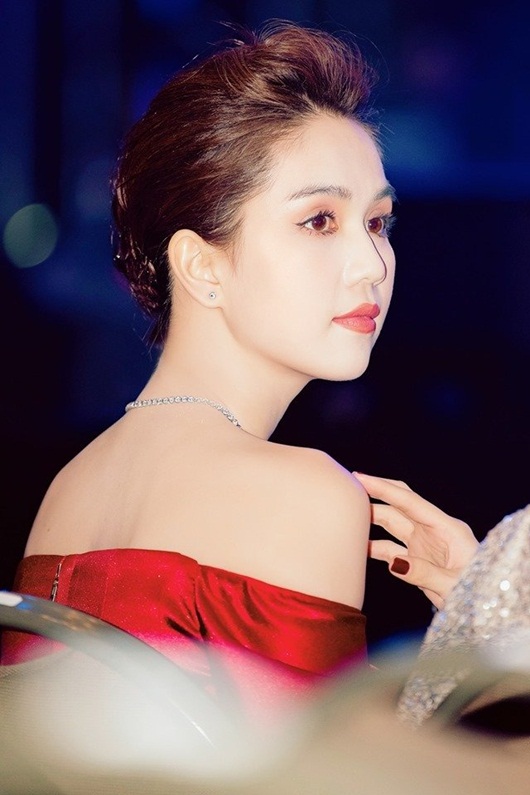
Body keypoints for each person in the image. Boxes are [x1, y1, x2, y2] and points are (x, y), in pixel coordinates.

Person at [2, 20, 475, 707]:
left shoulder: (69, 489)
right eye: (319, 220)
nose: (372, 265)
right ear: (201, 265)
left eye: (378, 223)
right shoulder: (306, 491)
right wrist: (487, 630)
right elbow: (324, 764)